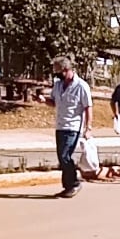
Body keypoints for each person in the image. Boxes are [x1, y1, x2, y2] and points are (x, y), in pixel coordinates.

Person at [37, 56, 93, 198]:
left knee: (65, 155)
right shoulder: (58, 85)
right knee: (62, 158)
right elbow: (54, 102)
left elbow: (88, 107)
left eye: (59, 72)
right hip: (60, 126)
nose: (57, 76)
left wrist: (88, 128)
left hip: (73, 127)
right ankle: (68, 186)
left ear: (67, 70)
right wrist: (44, 100)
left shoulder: (81, 86)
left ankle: (74, 183)